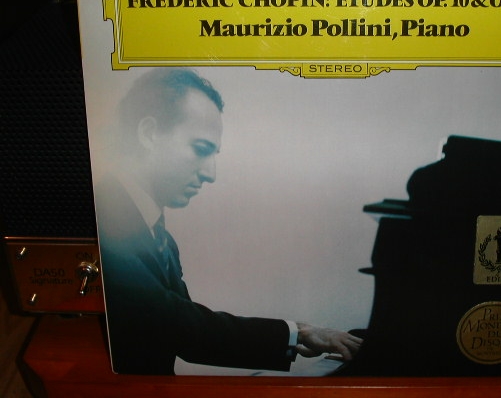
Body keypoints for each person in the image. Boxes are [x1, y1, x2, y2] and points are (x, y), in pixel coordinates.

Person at [95, 68, 362, 375]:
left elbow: (186, 331)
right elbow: (174, 324)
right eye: (200, 149)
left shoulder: (157, 234)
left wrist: (296, 333)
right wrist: (297, 333)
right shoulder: (106, 220)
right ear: (149, 134)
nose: (211, 174)